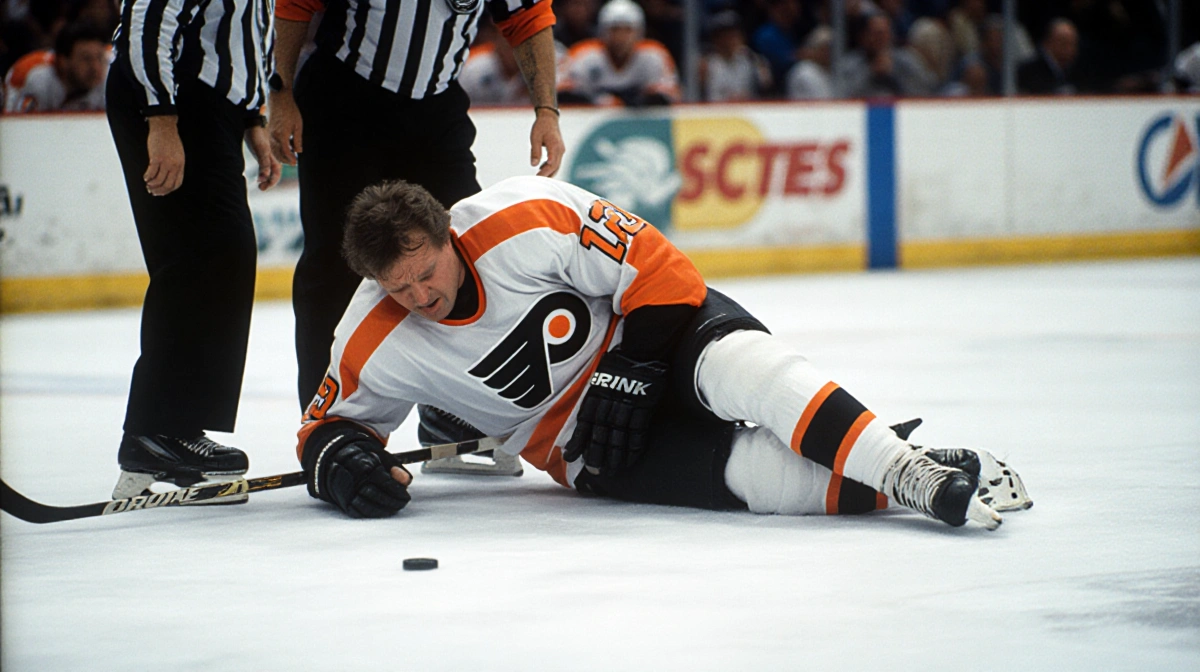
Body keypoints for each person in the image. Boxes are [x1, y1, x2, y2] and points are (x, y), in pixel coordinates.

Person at [292, 176, 1032, 529]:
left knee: (753, 373)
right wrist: (339, 467)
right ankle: (915, 468)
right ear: (373, 283)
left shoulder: (526, 216)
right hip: (581, 442)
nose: (422, 296)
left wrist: (637, 364)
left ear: (451, 234)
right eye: (401, 288)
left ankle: (910, 473)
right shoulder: (370, 336)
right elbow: (330, 427)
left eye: (429, 273)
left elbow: (665, 270)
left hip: (652, 336)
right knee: (761, 484)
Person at [269, 0, 564, 476]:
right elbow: (296, 4)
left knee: (462, 254)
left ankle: (454, 418)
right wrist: (280, 93)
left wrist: (546, 110)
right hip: (345, 96)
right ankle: (335, 431)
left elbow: (527, 18)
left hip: (437, 109)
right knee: (336, 267)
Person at [106, 0, 281, 501]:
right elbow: (148, 15)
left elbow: (247, 24)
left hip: (210, 105)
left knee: (220, 257)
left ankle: (169, 430)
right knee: (199, 258)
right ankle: (157, 432)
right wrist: (160, 117)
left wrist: (251, 115)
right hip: (174, 98)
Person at [557, 0, 680, 107]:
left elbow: (670, 95)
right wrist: (594, 101)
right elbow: (561, 92)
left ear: (639, 32)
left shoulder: (654, 55)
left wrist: (631, 103)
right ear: (603, 32)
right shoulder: (583, 55)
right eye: (615, 30)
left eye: (627, 30)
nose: (621, 38)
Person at [3, 20, 108, 113]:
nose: (95, 67)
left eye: (100, 58)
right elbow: (17, 128)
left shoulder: (111, 77)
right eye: (86, 59)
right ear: (63, 62)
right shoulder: (35, 78)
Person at [835, 12, 935, 98]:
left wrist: (893, 76)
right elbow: (841, 97)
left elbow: (924, 93)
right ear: (864, 36)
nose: (881, 39)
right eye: (876, 34)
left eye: (885, 33)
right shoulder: (849, 65)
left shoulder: (907, 60)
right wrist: (871, 74)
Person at [699, 10, 771, 103]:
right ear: (715, 38)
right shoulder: (707, 63)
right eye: (724, 35)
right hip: (715, 113)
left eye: (733, 34)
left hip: (747, 112)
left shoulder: (751, 59)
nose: (730, 39)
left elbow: (767, 85)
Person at [1017, 18, 1079, 95]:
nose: (1070, 49)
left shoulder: (1079, 70)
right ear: (1048, 42)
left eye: (1073, 44)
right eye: (1064, 43)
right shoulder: (1028, 72)